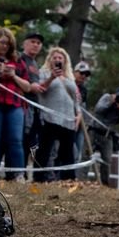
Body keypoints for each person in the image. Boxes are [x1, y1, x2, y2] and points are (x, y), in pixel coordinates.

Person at [0, 27, 33, 180]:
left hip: (15, 104)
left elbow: (28, 86)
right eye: (2, 42)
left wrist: (13, 76)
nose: (4, 46)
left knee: (15, 139)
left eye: (8, 44)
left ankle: (18, 173)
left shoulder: (18, 61)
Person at [31, 46, 80, 182]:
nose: (58, 60)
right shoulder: (44, 72)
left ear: (65, 61)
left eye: (60, 58)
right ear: (50, 60)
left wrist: (79, 114)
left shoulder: (70, 77)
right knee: (45, 149)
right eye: (55, 57)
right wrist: (52, 77)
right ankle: (39, 178)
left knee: (67, 151)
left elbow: (76, 98)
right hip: (50, 117)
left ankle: (68, 178)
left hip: (68, 118)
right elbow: (41, 89)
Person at [91, 86, 119, 186]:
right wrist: (110, 103)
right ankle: (81, 179)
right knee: (86, 155)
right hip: (94, 130)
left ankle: (104, 184)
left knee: (107, 160)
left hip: (107, 135)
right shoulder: (106, 98)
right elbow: (97, 110)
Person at [72, 60, 92, 166]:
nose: (84, 76)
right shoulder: (69, 83)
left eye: (86, 74)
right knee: (71, 151)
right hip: (69, 122)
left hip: (80, 125)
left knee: (78, 152)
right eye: (81, 73)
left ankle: (71, 178)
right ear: (74, 72)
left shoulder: (84, 89)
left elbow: (83, 107)